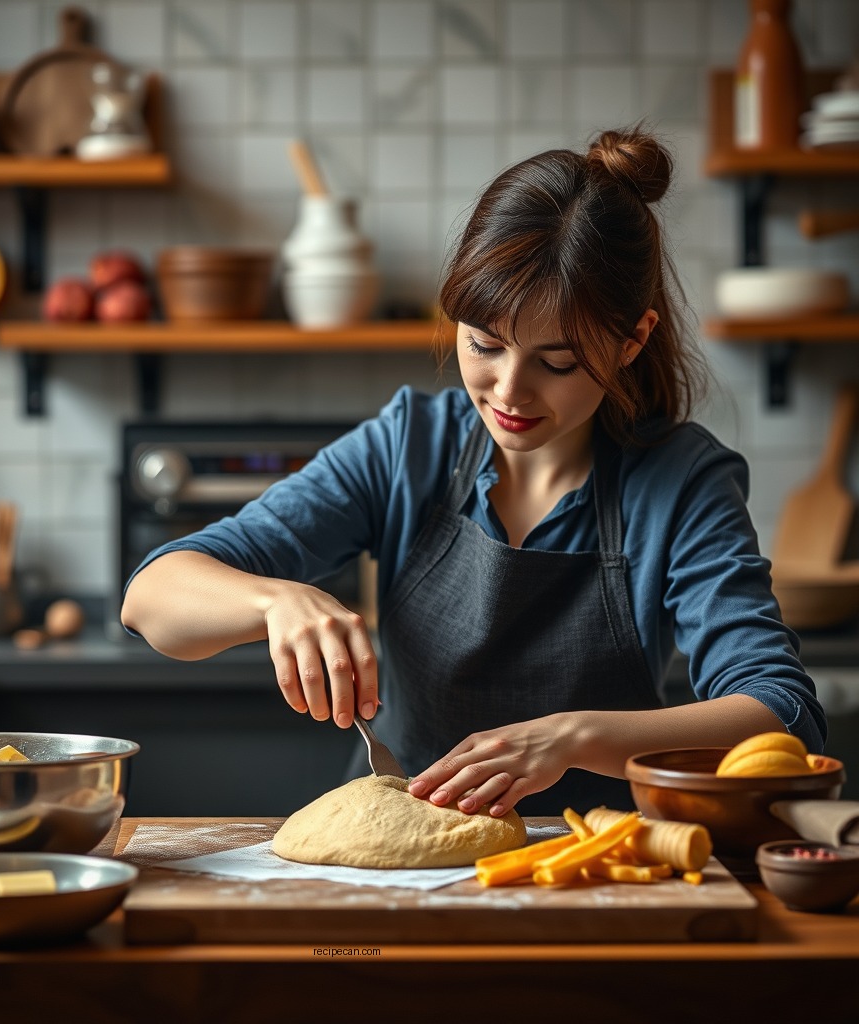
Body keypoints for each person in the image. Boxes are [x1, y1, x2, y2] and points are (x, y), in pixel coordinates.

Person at [121, 126, 826, 818]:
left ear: (632, 340)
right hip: (400, 869)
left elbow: (782, 714)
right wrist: (274, 603)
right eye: (484, 344)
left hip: (594, 870)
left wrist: (574, 737)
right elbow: (151, 599)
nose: (509, 391)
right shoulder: (408, 447)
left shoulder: (681, 481)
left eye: (557, 362)